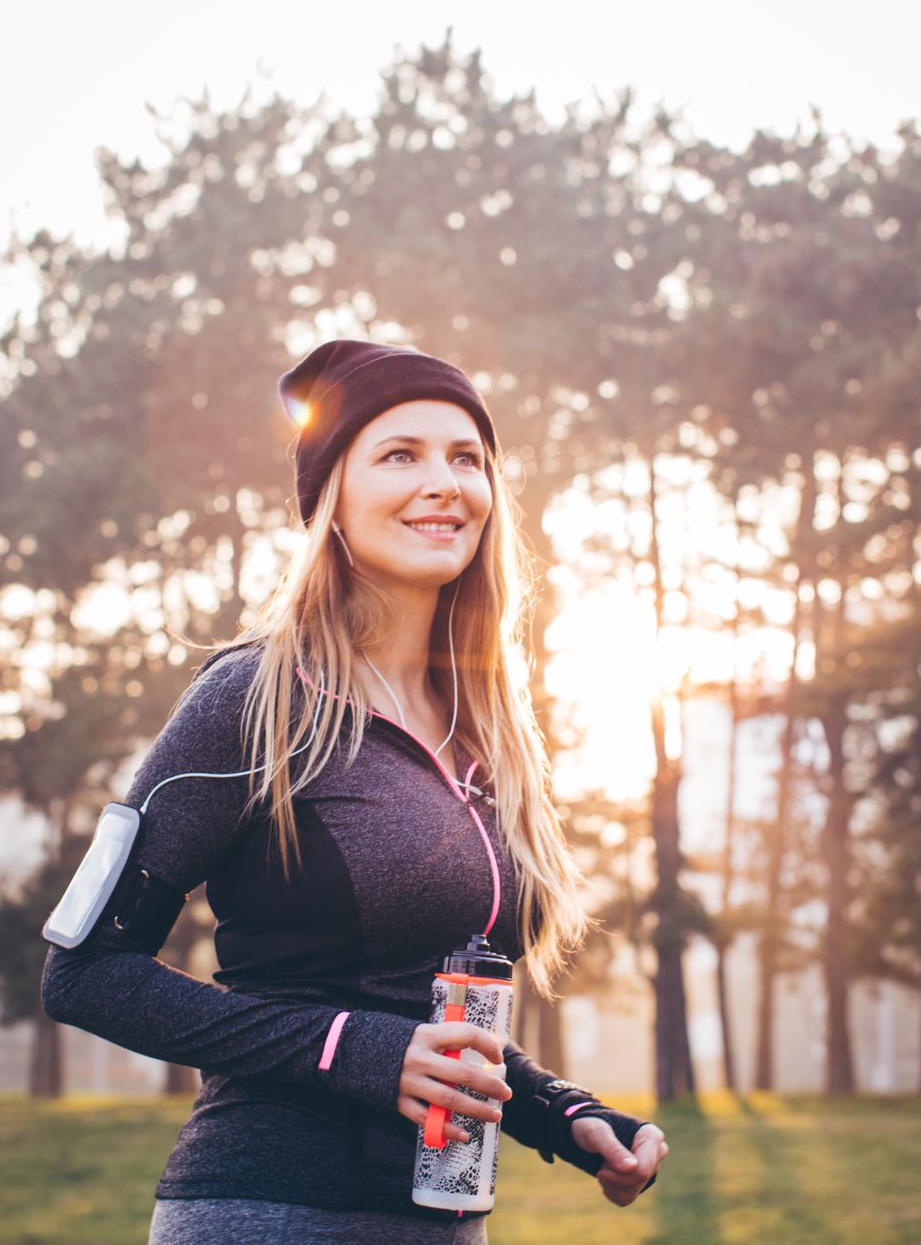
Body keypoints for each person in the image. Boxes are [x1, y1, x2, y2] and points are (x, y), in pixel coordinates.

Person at [41, 340, 667, 1243]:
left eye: (466, 458)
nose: (444, 481)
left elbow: (430, 1021)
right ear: (330, 498)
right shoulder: (256, 699)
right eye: (399, 455)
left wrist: (561, 1113)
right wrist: (354, 1051)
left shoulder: (483, 732)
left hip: (441, 1223)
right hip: (269, 1209)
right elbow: (85, 971)